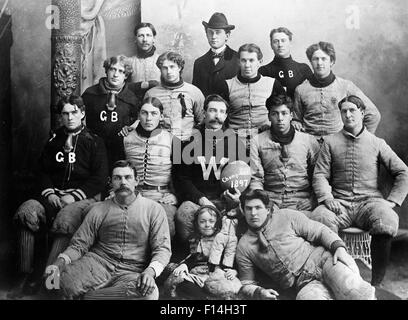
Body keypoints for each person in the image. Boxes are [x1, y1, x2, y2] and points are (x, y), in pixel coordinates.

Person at [9, 95, 108, 298]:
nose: (70, 117)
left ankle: (49, 278)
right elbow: (42, 171)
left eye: (74, 112)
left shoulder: (94, 141)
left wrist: (74, 196)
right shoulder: (54, 140)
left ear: (82, 113)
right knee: (27, 211)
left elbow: (100, 177)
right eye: (65, 113)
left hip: (82, 199)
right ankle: (25, 274)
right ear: (61, 116)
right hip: (53, 195)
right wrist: (50, 193)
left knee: (65, 219)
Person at [310, 95, 408, 286]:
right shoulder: (330, 142)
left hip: (369, 203)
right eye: (344, 111)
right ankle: (336, 280)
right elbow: (319, 175)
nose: (348, 115)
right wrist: (327, 198)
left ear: (362, 113)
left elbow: (402, 171)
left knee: (386, 218)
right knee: (320, 217)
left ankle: (376, 283)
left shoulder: (376, 143)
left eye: (352, 110)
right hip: (340, 203)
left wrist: (393, 201)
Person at [45, 160, 172, 300]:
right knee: (54, 283)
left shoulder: (154, 210)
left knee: (150, 294)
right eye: (117, 178)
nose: (123, 182)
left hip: (131, 271)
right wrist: (60, 262)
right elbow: (79, 244)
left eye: (128, 177)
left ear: (137, 180)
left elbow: (162, 250)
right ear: (111, 182)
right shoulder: (99, 209)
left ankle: (89, 297)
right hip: (97, 264)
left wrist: (150, 272)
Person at [236, 189, 375, 300]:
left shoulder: (286, 216)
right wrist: (260, 292)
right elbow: (246, 283)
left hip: (324, 262)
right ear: (243, 210)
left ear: (267, 209)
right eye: (248, 208)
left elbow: (319, 231)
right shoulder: (244, 247)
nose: (253, 213)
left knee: (353, 290)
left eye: (258, 207)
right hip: (304, 284)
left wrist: (339, 247)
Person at [173, 94, 247, 242]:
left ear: (226, 116)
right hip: (198, 200)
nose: (217, 116)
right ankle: (196, 255)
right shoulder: (189, 141)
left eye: (221, 112)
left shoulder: (235, 142)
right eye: (212, 110)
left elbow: (244, 174)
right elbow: (182, 179)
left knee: (247, 213)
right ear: (204, 112)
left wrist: (237, 197)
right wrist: (201, 199)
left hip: (226, 199)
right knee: (183, 214)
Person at [113, 97, 178, 238]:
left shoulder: (172, 140)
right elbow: (115, 168)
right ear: (138, 115)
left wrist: (175, 194)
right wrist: (114, 190)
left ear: (161, 116)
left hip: (161, 196)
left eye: (154, 114)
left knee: (165, 227)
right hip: (131, 194)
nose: (149, 118)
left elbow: (179, 174)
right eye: (144, 113)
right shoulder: (125, 138)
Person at [293, 41, 381, 139]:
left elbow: (373, 115)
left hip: (338, 147)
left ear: (331, 62)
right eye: (315, 59)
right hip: (309, 146)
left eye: (324, 59)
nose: (319, 63)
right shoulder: (301, 90)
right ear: (311, 62)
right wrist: (296, 122)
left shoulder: (346, 86)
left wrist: (360, 139)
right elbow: (296, 119)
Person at [250, 94, 320, 213]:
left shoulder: (308, 140)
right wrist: (263, 201)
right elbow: (255, 179)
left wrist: (313, 200)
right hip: (271, 200)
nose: (280, 118)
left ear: (291, 115)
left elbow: (319, 175)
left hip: (301, 200)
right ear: (269, 116)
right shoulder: (257, 141)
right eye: (275, 113)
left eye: (284, 113)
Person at [163, 205, 238, 299]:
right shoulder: (193, 239)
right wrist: (184, 265)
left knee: (226, 287)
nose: (207, 225)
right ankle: (202, 297)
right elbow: (189, 257)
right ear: (197, 224)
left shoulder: (223, 239)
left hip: (217, 274)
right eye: (202, 222)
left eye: (211, 221)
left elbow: (231, 257)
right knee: (182, 282)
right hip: (197, 273)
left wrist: (233, 271)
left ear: (218, 223)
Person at [81, 55, 140, 168]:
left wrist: (131, 127)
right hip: (93, 147)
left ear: (126, 75)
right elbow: (79, 117)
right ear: (107, 71)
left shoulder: (131, 99)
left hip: (120, 149)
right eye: (112, 69)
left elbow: (138, 120)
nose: (116, 74)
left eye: (121, 71)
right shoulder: (90, 94)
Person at [144, 51, 205, 141]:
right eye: (165, 68)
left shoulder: (194, 92)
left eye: (172, 67)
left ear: (179, 68)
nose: (169, 72)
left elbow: (202, 120)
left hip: (188, 144)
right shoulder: (151, 94)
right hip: (161, 143)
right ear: (160, 69)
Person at [192, 12, 240, 97]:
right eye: (210, 32)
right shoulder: (199, 63)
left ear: (227, 35)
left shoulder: (238, 60)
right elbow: (196, 96)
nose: (213, 36)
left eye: (218, 32)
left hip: (232, 109)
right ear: (206, 34)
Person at [259, 27, 313, 99]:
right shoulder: (264, 71)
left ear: (290, 43)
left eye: (283, 41)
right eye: (276, 41)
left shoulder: (303, 69)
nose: (280, 45)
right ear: (271, 45)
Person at [129, 22, 161, 97]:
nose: (145, 40)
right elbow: (122, 87)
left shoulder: (163, 61)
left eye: (148, 35)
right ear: (135, 39)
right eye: (141, 36)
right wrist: (145, 84)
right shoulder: (129, 62)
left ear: (154, 39)